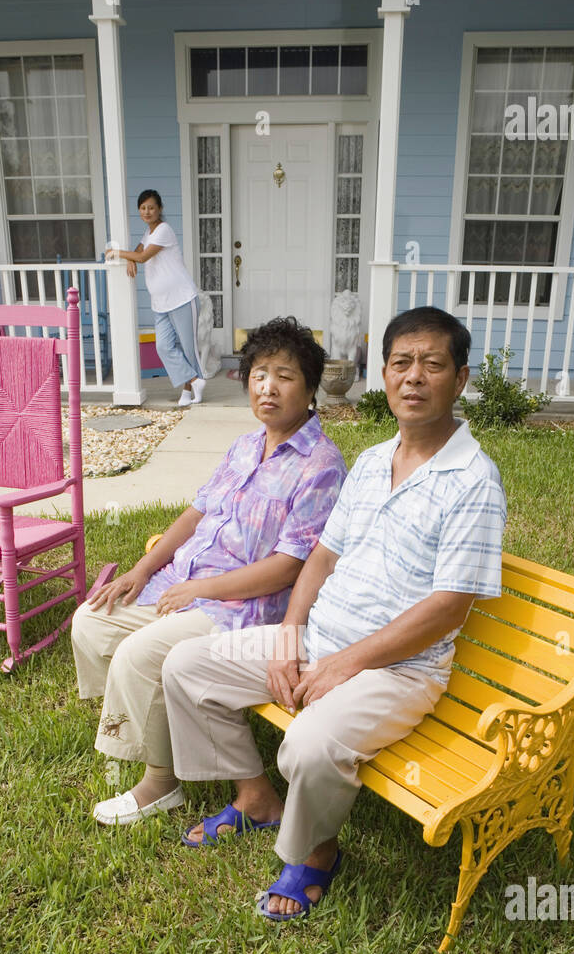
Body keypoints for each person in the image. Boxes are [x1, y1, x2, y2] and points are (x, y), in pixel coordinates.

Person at [162, 306, 507, 919]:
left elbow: (449, 608)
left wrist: (343, 665)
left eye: (433, 364)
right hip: (320, 639)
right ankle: (252, 798)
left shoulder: (473, 481)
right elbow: (321, 556)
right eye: (402, 362)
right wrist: (292, 635)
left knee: (309, 746)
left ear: (459, 379)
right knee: (187, 666)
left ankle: (316, 853)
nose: (414, 377)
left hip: (399, 671)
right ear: (384, 373)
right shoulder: (374, 461)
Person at [71, 316, 347, 826]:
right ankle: (136, 719)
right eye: (259, 373)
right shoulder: (244, 446)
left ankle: (160, 782)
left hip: (242, 608)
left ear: (310, 389)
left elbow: (287, 569)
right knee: (91, 618)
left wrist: (199, 588)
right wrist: (140, 570)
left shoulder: (321, 466)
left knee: (138, 652)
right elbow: (197, 512)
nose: (268, 386)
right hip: (183, 584)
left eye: (285, 375)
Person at [106, 190, 209, 407]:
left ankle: (189, 392)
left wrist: (119, 254)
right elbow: (138, 251)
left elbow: (142, 256)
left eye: (151, 207)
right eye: (143, 208)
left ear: (159, 209)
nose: (147, 211)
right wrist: (130, 259)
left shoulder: (164, 230)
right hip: (161, 303)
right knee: (163, 346)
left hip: (182, 298)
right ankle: (194, 379)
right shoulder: (149, 233)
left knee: (188, 348)